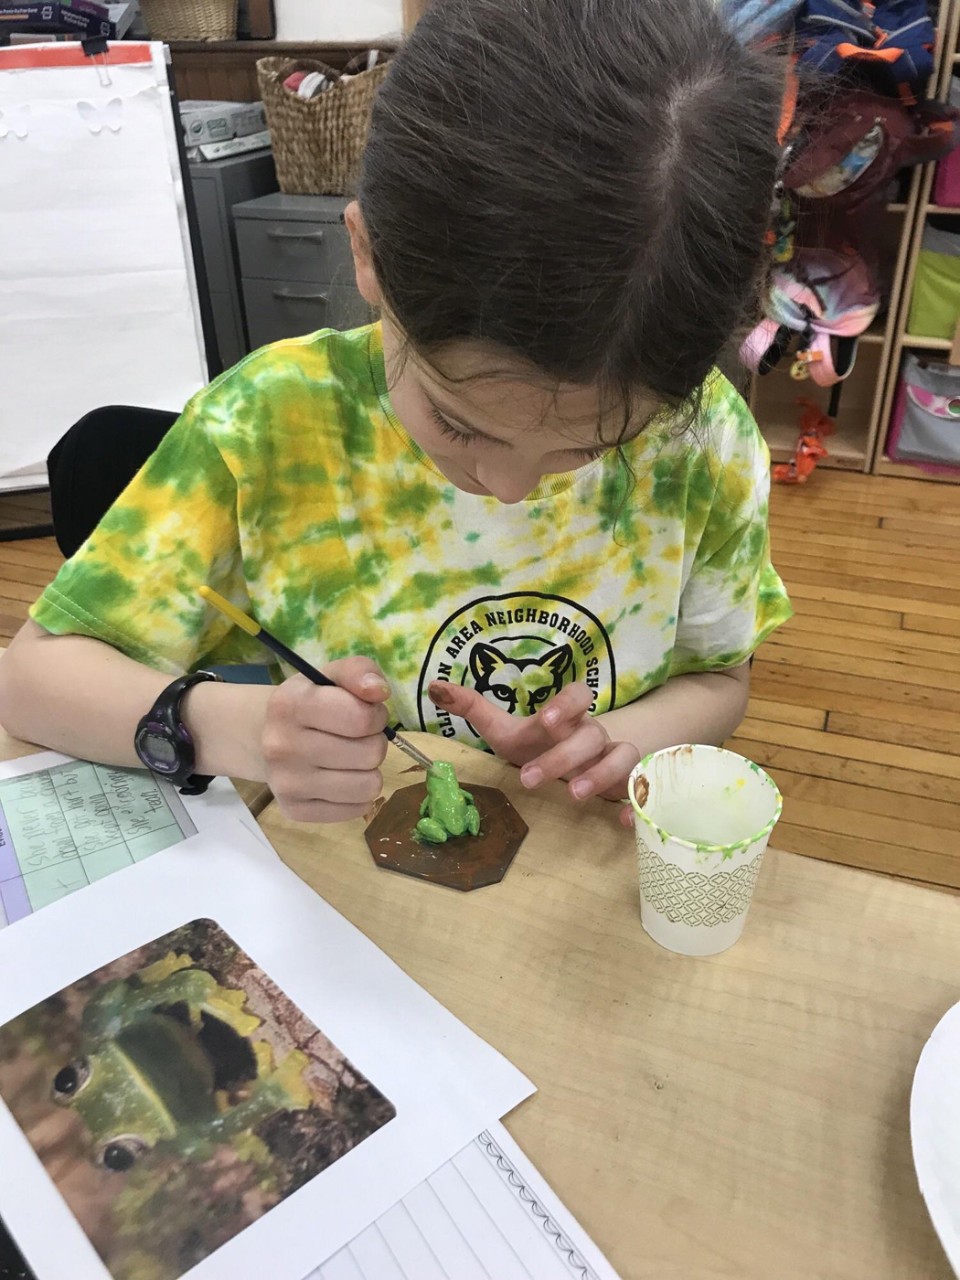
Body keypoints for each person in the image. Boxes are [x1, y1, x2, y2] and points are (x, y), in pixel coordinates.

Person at [0, 0, 791, 826]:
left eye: (596, 446)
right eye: (460, 425)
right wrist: (237, 726)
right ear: (366, 252)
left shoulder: (705, 443)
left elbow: (720, 679)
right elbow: (29, 683)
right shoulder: (269, 427)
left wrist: (627, 737)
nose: (511, 489)